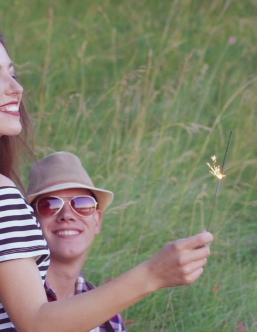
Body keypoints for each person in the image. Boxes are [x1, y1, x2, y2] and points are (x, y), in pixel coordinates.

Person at [0, 33, 213, 332]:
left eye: (12, 73)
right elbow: (36, 324)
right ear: (32, 217)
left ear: (99, 218)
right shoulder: (3, 194)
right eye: (49, 204)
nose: (16, 88)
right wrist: (152, 274)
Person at [26, 151, 126, 332]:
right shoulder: (11, 300)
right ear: (31, 221)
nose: (67, 215)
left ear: (97, 221)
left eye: (82, 204)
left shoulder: (108, 317)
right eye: (49, 205)